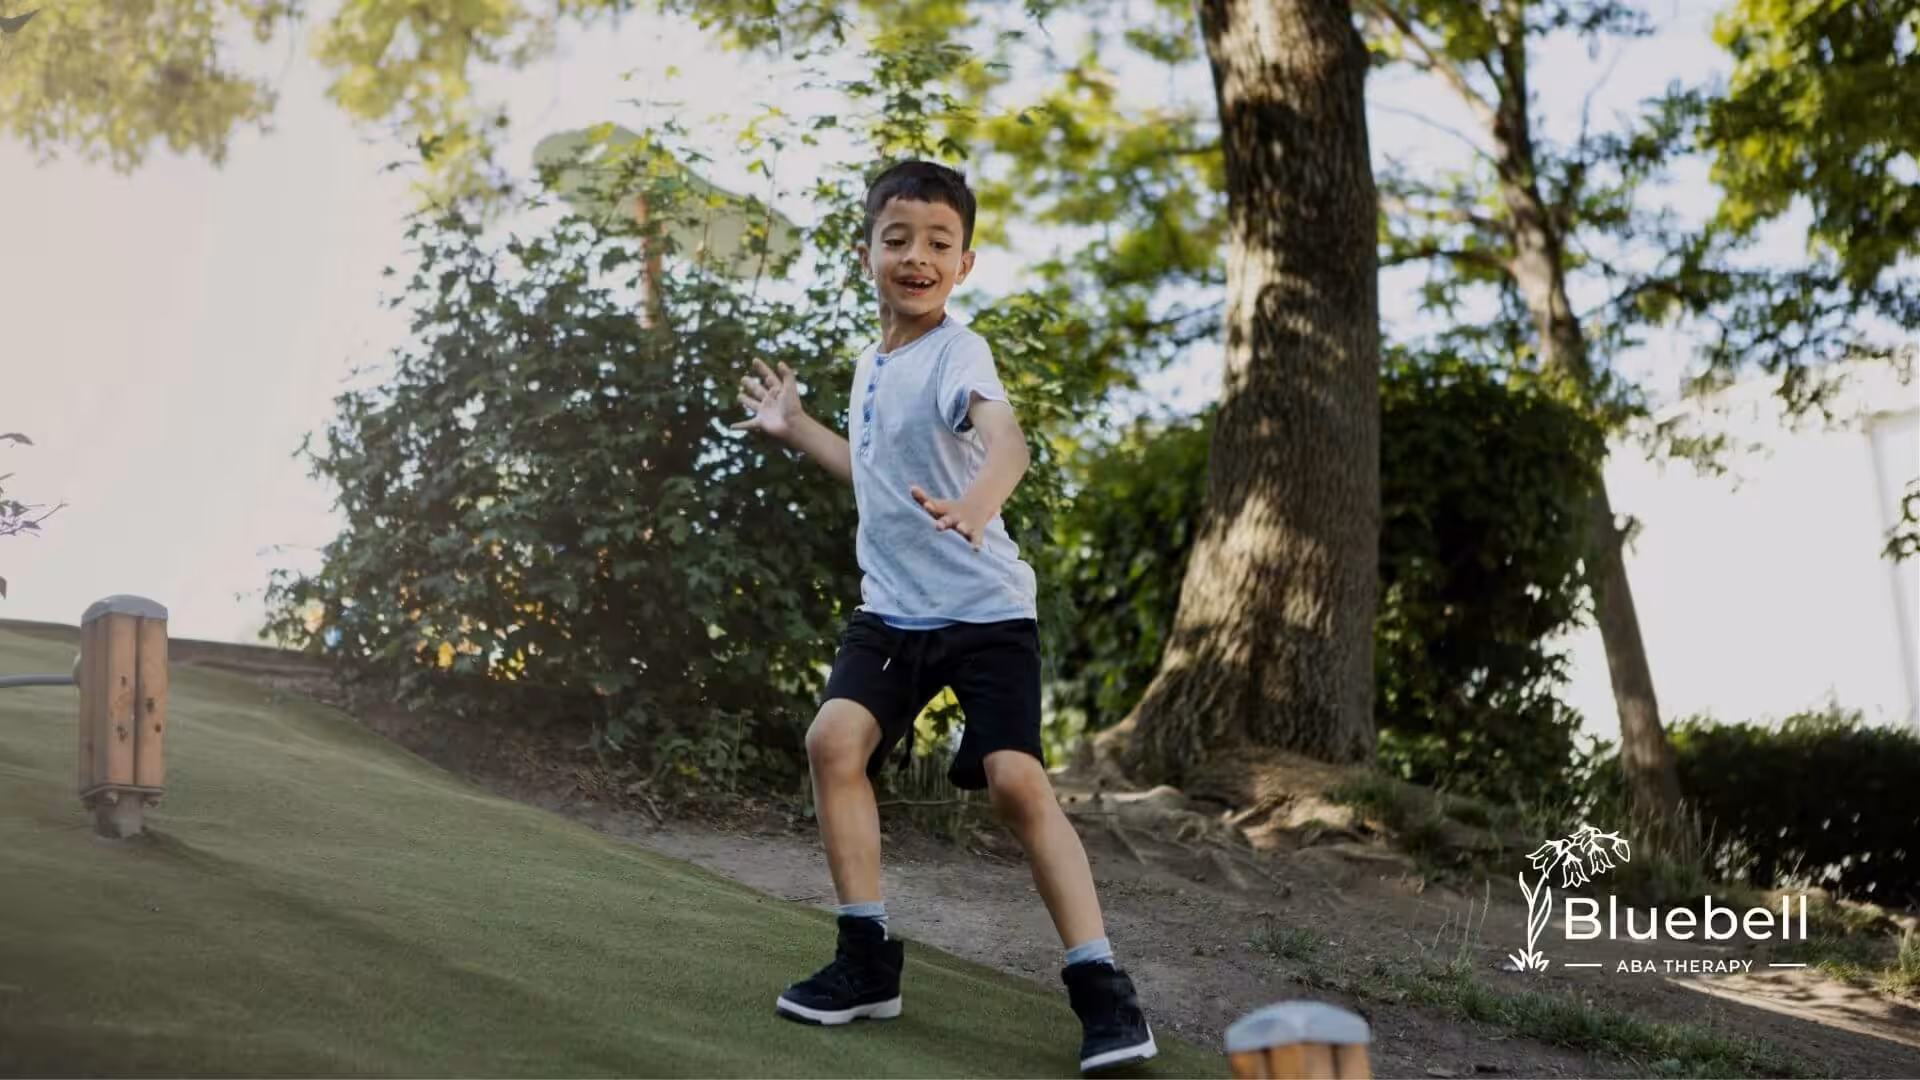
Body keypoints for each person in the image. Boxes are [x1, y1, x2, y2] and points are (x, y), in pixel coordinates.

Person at [730, 159, 1157, 1074]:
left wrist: (979, 504)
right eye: (898, 240)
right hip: (891, 615)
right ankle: (866, 961)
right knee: (833, 743)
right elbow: (873, 472)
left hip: (984, 611)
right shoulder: (870, 363)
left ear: (965, 263)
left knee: (1014, 782)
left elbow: (1009, 439)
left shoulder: (960, 352)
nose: (916, 257)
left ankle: (1103, 989)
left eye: (938, 243)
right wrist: (795, 426)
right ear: (866, 253)